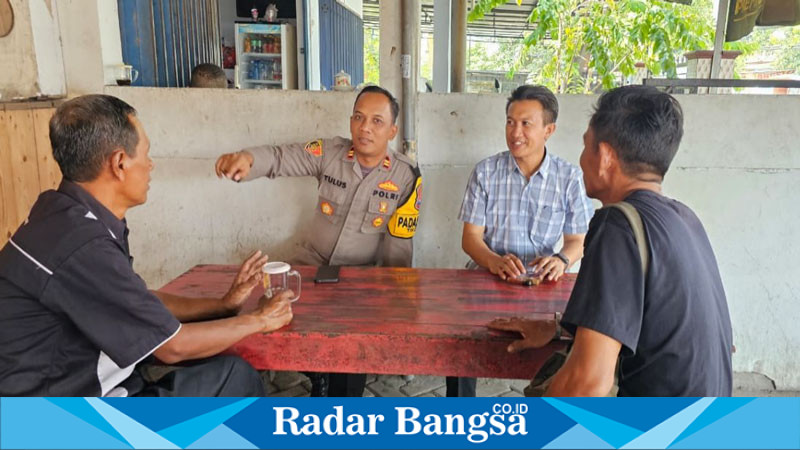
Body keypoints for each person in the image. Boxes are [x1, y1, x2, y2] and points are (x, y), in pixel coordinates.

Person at [0, 95, 293, 397]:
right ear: (119, 163)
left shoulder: (62, 211)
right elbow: (174, 348)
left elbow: (137, 301)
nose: (151, 165)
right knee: (234, 377)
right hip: (51, 422)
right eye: (146, 154)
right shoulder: (83, 245)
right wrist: (260, 319)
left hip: (74, 390)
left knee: (222, 358)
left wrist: (223, 305)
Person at [491, 85, 733, 396]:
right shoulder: (684, 218)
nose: (581, 159)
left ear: (604, 156)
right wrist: (559, 327)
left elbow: (588, 383)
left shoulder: (617, 225)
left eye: (586, 146)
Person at [215, 85, 422, 397]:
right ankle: (313, 373)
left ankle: (339, 410)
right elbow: (282, 157)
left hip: (361, 279)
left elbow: (399, 245)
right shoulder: (330, 152)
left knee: (352, 348)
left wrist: (393, 299)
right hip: (309, 269)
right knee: (266, 316)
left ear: (392, 130)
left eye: (377, 121)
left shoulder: (406, 176)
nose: (365, 127)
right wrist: (248, 158)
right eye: (358, 117)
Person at [453, 85, 594, 397]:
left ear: (549, 130)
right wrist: (493, 260)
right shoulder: (486, 172)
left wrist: (561, 260)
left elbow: (577, 241)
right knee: (459, 347)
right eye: (510, 122)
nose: (515, 132)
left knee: (569, 344)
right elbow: (471, 239)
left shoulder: (569, 178)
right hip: (486, 278)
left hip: (544, 285)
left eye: (526, 123)